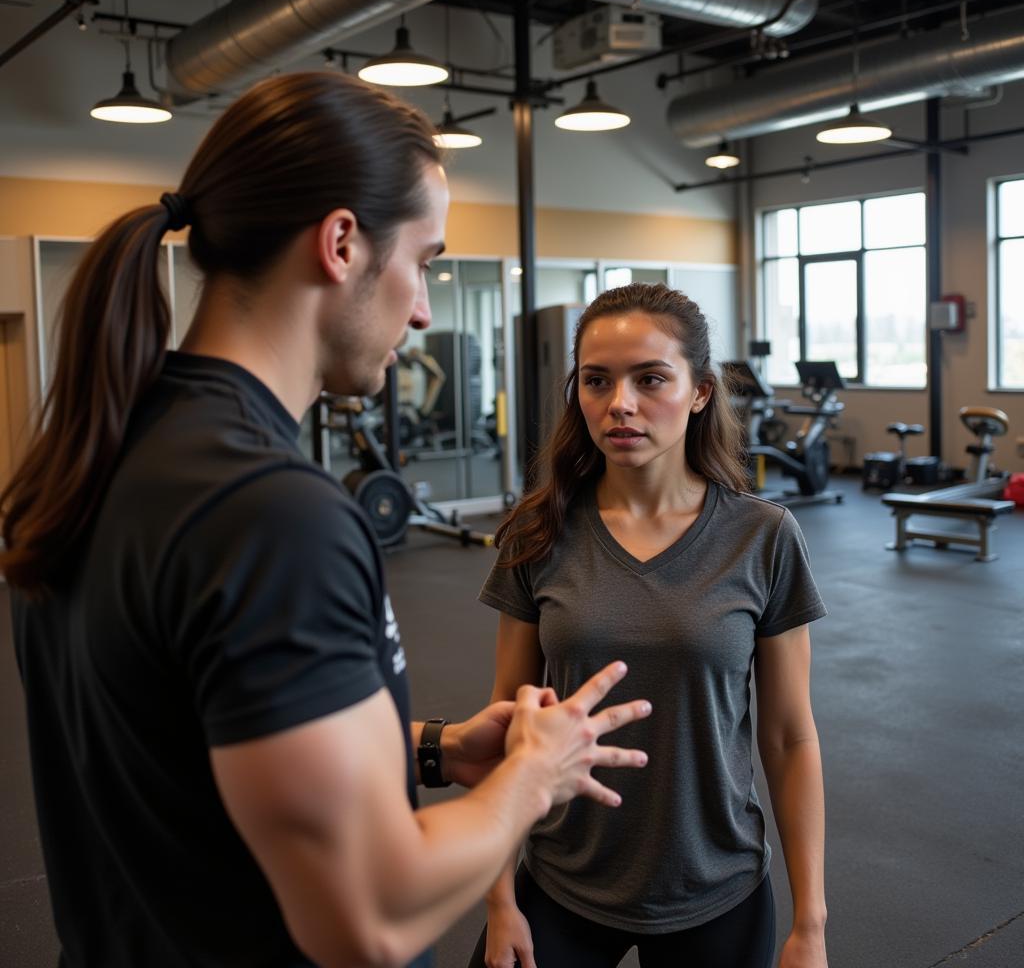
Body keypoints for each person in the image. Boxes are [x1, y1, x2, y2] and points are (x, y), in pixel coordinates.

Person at [0, 72, 653, 968]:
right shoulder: (274, 516)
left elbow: (179, 740)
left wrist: (435, 748)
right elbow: (368, 919)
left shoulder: (99, 451)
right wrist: (529, 779)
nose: (424, 309)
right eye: (423, 260)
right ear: (342, 242)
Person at [470, 283, 829, 968]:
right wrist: (497, 899)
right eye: (597, 381)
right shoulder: (539, 532)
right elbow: (502, 722)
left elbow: (789, 736)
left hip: (716, 886)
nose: (620, 405)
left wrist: (810, 923)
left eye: (650, 378)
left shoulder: (763, 537)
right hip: (563, 879)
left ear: (699, 391)